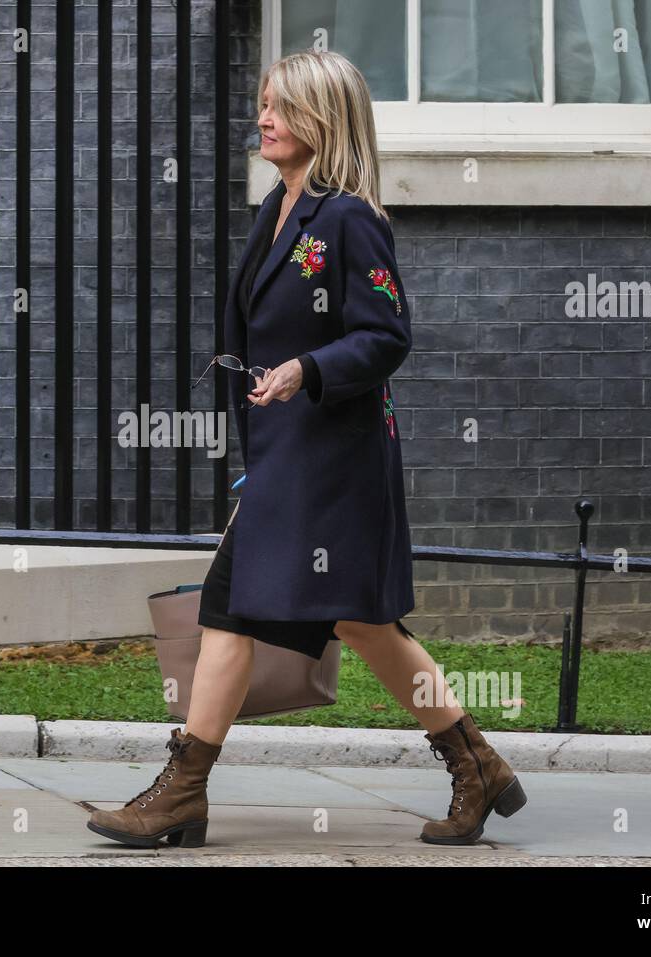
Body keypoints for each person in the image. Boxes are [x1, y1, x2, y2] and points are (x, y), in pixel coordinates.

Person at [87, 50, 526, 850]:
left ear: (323, 119)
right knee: (294, 613)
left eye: (281, 107)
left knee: (350, 620)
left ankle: (186, 792)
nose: (264, 117)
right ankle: (474, 763)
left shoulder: (350, 218)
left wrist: (306, 370)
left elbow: (387, 336)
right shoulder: (275, 209)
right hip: (285, 457)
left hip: (336, 459)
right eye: (264, 103)